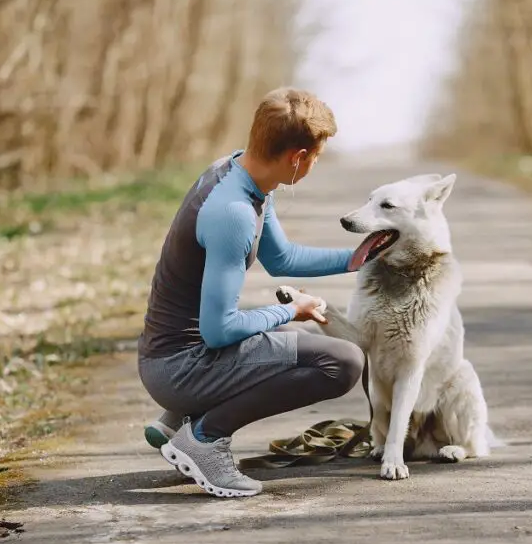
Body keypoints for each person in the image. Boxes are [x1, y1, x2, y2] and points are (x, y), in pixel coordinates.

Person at [136, 87, 365, 498]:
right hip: (179, 367)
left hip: (168, 356)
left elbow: (283, 259)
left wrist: (356, 259)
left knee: (307, 344)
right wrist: (290, 310)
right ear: (298, 157)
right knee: (342, 362)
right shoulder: (234, 214)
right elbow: (219, 331)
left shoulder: (239, 172)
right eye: (316, 156)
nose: (314, 164)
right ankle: (205, 437)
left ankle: (176, 420)